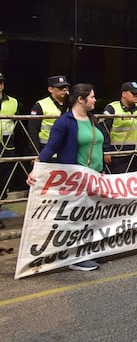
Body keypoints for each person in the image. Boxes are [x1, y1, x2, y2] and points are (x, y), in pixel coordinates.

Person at [27, 83, 107, 271]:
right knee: (76, 218)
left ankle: (85, 251)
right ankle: (74, 258)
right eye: (92, 97)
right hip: (76, 178)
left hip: (95, 177)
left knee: (90, 216)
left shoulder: (92, 119)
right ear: (81, 99)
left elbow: (97, 146)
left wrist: (101, 169)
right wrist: (36, 169)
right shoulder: (65, 122)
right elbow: (50, 148)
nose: (95, 100)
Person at [102, 81, 137, 173]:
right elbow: (104, 131)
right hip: (118, 155)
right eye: (133, 93)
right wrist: (106, 151)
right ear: (124, 94)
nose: (136, 95)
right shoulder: (112, 109)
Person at [28, 75, 71, 155]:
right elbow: (33, 131)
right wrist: (35, 153)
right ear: (50, 89)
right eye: (60, 87)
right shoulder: (40, 105)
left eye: (66, 87)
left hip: (66, 149)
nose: (64, 89)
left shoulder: (72, 105)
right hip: (46, 150)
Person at [0, 73, 20, 195]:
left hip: (7, 142)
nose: (0, 85)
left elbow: (18, 123)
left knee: (6, 171)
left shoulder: (13, 102)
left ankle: (2, 197)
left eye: (1, 82)